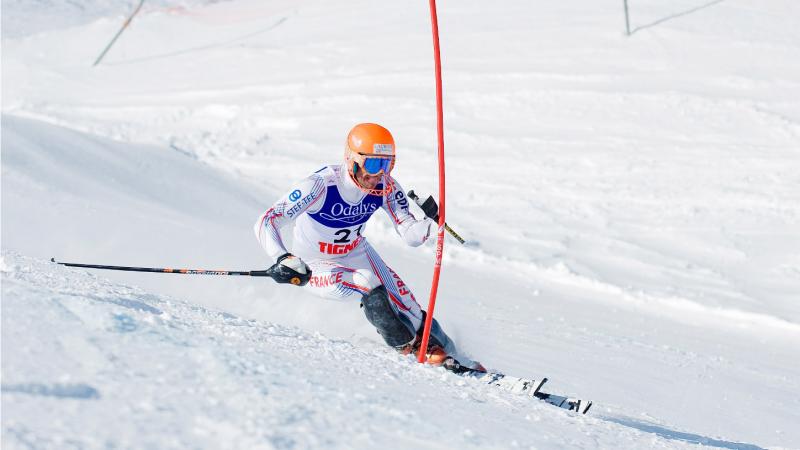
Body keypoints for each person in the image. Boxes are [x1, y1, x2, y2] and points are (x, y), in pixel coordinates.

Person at [254, 123, 481, 371]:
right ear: (351, 158)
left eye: (387, 165)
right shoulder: (320, 185)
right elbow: (268, 220)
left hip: (356, 252)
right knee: (367, 281)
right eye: (373, 164)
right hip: (314, 263)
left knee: (412, 311)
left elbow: (410, 235)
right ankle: (407, 347)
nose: (377, 175)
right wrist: (282, 257)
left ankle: (457, 359)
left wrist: (430, 222)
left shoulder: (387, 186)